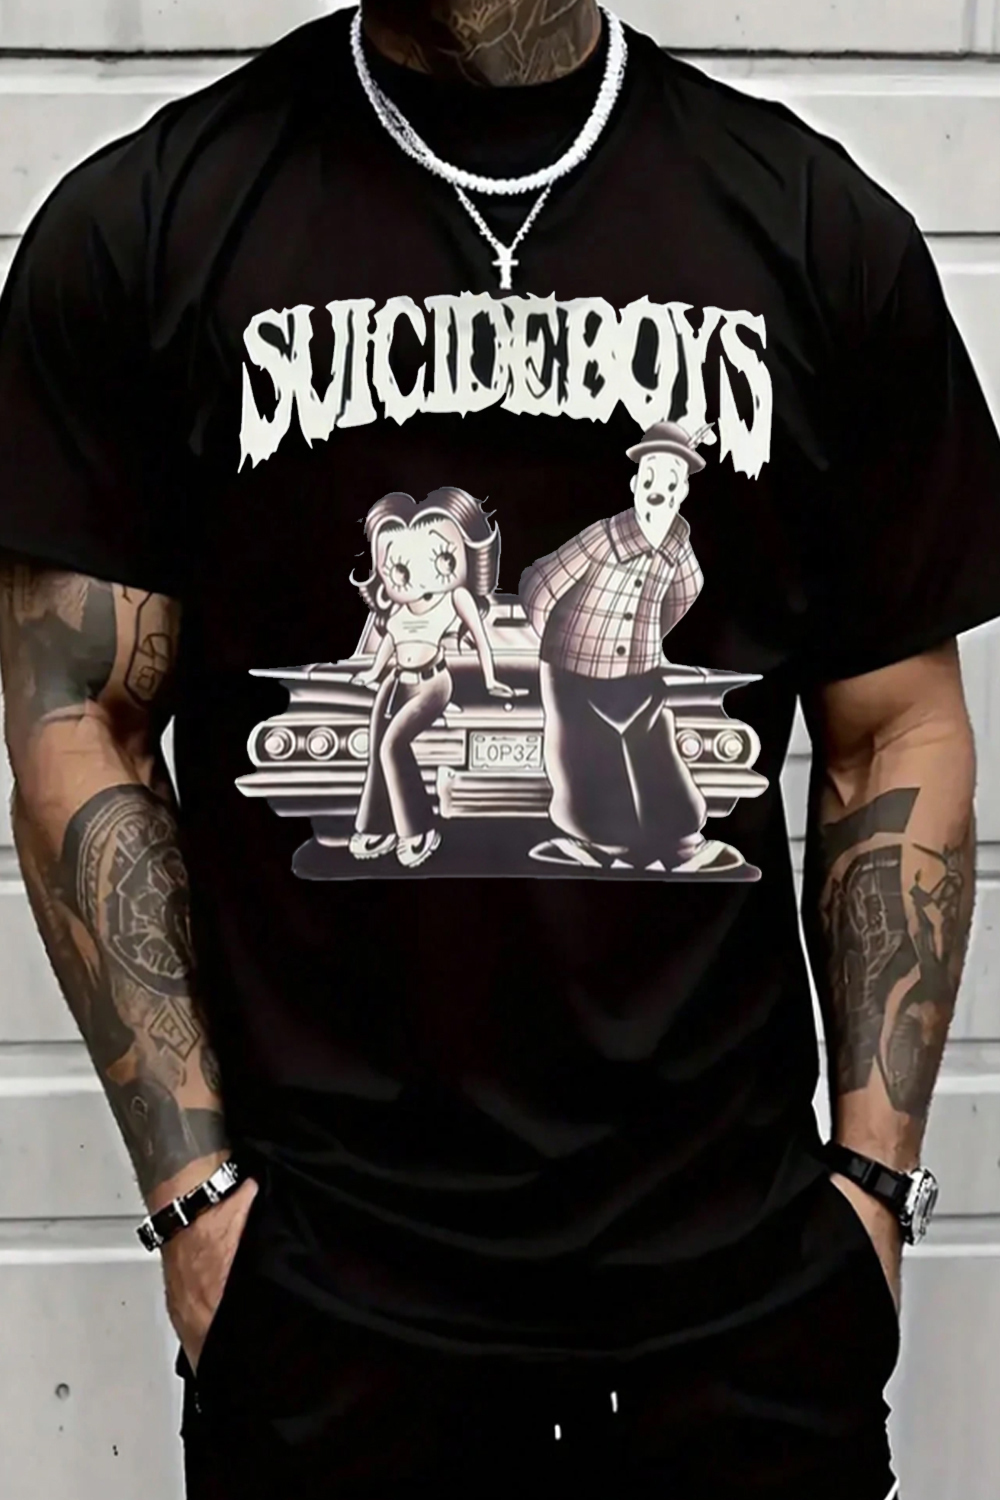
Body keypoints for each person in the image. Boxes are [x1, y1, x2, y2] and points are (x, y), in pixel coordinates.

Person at [0, 2, 998, 1497]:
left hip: (742, 1313)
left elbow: (894, 728)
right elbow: (78, 716)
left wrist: (869, 1190)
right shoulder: (147, 227)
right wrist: (197, 1205)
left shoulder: (814, 229)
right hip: (331, 1322)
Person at [520, 417, 758, 876]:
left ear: (682, 490)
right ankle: (594, 841)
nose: (657, 490)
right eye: (649, 478)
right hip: (572, 671)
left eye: (669, 481)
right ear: (634, 484)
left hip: (640, 672)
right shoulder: (603, 537)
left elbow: (687, 589)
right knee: (583, 753)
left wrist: (646, 637)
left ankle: (680, 840)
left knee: (654, 748)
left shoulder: (677, 545)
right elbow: (540, 584)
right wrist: (561, 641)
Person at [349, 486, 518, 869]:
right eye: (399, 566)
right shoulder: (397, 608)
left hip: (432, 683)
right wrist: (373, 672)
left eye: (441, 558)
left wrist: (490, 680)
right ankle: (378, 825)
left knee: (392, 745)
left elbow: (480, 638)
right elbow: (390, 642)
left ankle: (418, 829)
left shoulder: (456, 597)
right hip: (395, 681)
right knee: (377, 747)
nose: (417, 577)